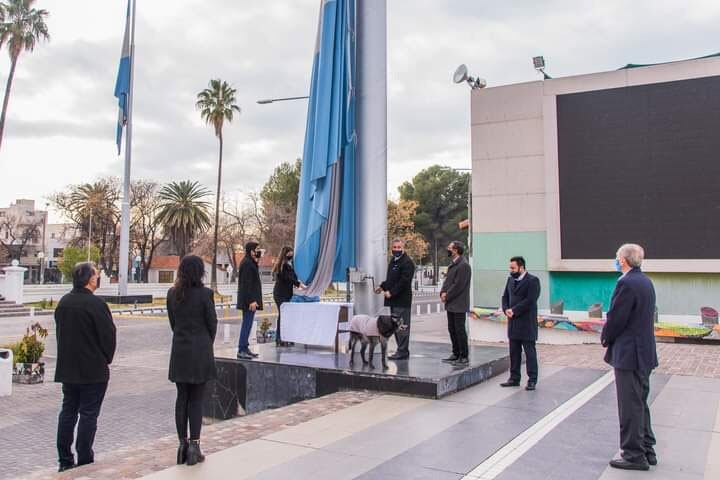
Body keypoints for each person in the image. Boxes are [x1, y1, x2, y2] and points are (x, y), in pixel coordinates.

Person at [54, 262, 116, 472]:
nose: (98, 278)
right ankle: (84, 458)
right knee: (89, 414)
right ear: (90, 279)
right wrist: (105, 359)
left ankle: (64, 459)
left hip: (68, 369)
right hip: (93, 370)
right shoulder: (96, 305)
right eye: (97, 275)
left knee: (68, 411)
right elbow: (108, 337)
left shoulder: (63, 303)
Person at [602, 244, 658, 471]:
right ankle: (647, 449)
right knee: (640, 403)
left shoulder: (625, 283)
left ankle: (633, 455)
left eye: (617, 257)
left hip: (629, 354)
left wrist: (606, 337)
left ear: (624, 260)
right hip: (644, 353)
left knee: (629, 406)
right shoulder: (645, 281)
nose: (616, 260)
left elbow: (617, 318)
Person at [166, 255, 218, 466]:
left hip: (180, 350)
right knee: (196, 400)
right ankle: (195, 446)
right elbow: (212, 323)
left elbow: (173, 321)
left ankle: (182, 444)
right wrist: (205, 342)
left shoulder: (172, 294)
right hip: (200, 351)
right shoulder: (205, 294)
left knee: (182, 398)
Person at [500, 256, 541, 391]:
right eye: (510, 268)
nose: (511, 270)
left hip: (527, 323)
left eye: (513, 268)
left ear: (521, 267)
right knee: (514, 352)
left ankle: (532, 380)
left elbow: (530, 300)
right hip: (513, 323)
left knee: (530, 353)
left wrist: (515, 310)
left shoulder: (533, 281)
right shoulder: (510, 280)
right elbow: (505, 296)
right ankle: (514, 378)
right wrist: (506, 309)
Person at [375, 238, 415, 360]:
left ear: (403, 248)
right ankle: (400, 350)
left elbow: (404, 282)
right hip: (393, 301)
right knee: (395, 326)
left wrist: (391, 292)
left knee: (402, 326)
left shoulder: (407, 263)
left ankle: (403, 351)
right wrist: (382, 287)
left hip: (401, 301)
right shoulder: (393, 261)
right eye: (394, 247)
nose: (396, 249)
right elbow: (391, 280)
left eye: (399, 247)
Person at [439, 241, 472, 366]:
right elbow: (448, 282)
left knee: (459, 330)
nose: (448, 249)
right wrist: (442, 292)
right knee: (452, 329)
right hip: (451, 303)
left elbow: (458, 285)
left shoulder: (463, 265)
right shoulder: (453, 264)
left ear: (456, 250)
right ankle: (456, 353)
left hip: (459, 303)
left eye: (450, 248)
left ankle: (464, 356)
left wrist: (447, 295)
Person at [272, 246, 305, 346]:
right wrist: (299, 284)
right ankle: (279, 338)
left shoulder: (289, 265)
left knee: (285, 316)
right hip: (280, 294)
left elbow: (293, 277)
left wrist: (299, 283)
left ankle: (285, 337)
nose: (292, 255)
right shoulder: (283, 265)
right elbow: (288, 278)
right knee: (283, 316)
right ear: (286, 254)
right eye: (290, 253)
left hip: (285, 294)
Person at [236, 241, 263, 359]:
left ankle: (245, 348)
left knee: (248, 324)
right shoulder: (247, 263)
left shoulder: (250, 262)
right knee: (246, 324)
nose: (259, 251)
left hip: (250, 300)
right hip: (248, 301)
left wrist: (257, 261)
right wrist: (251, 300)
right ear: (251, 251)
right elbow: (246, 284)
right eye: (257, 249)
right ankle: (242, 349)